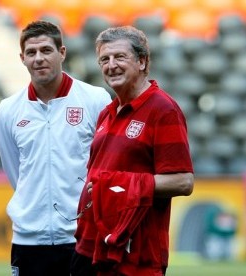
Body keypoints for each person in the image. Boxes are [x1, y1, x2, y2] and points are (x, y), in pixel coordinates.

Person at [72, 26, 194, 276]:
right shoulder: (107, 112)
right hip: (94, 247)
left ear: (142, 61)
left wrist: (117, 186)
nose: (111, 65)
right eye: (104, 59)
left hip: (137, 254)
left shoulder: (163, 109)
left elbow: (183, 182)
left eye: (119, 57)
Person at [0, 20, 111, 276]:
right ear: (22, 58)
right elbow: (15, 171)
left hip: (83, 236)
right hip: (29, 240)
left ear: (62, 53)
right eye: (31, 53)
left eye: (46, 50)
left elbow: (105, 165)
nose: (39, 58)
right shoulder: (8, 109)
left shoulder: (95, 99)